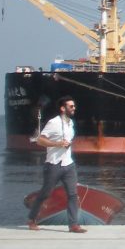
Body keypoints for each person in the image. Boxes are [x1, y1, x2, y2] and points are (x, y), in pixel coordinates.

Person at [27, 96, 86, 233]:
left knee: (72, 194)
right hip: (53, 164)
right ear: (62, 108)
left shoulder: (71, 123)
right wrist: (58, 144)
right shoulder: (53, 123)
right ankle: (32, 219)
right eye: (71, 106)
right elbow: (40, 140)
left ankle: (73, 225)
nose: (74, 108)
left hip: (68, 164)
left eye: (74, 106)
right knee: (45, 193)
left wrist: (67, 144)